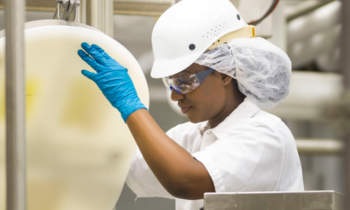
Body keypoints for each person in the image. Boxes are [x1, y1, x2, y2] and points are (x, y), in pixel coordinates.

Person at [77, 0, 304, 209]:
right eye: (171, 82)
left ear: (225, 73)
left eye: (184, 81)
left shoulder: (266, 136)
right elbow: (121, 164)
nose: (175, 96)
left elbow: (185, 180)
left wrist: (130, 105)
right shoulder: (190, 137)